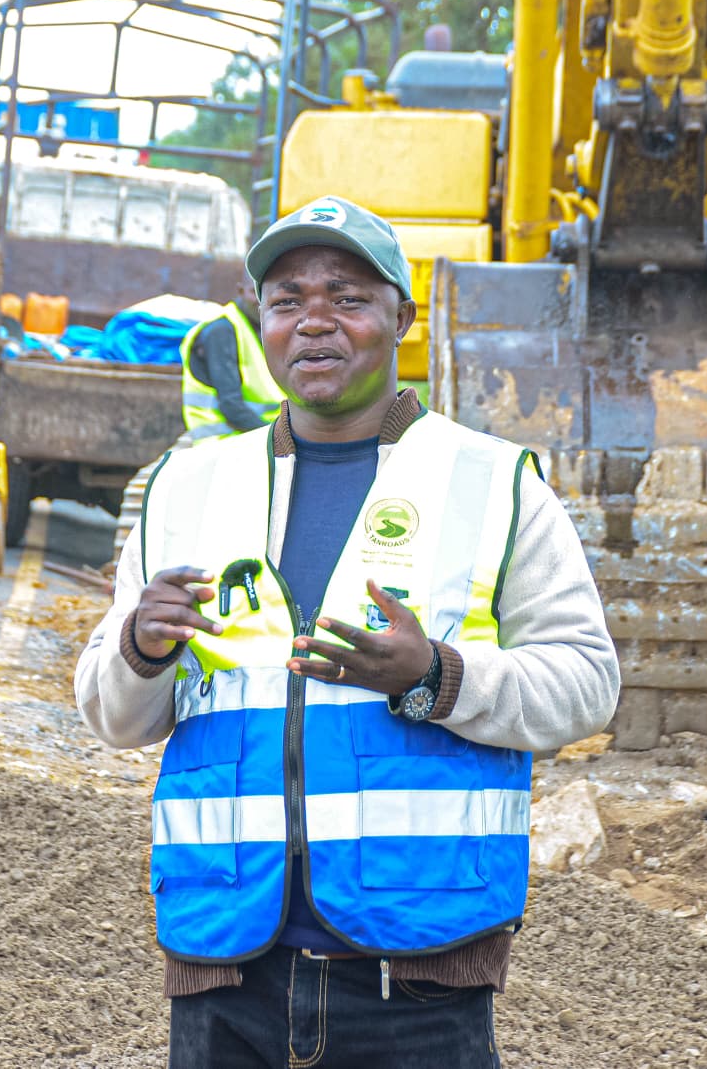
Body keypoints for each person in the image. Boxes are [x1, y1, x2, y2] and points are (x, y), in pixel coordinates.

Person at [74, 195, 620, 1068]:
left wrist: (436, 675)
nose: (314, 322)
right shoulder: (188, 486)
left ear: (401, 315)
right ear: (259, 320)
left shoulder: (491, 482)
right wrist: (140, 648)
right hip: (225, 964)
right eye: (287, 299)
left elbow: (588, 683)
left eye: (348, 297)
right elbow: (114, 714)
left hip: (417, 976)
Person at [178, 270, 284, 440]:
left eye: (268, 294)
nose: (260, 300)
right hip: (223, 442)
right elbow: (231, 407)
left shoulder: (261, 327)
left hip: (251, 437)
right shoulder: (221, 331)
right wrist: (278, 438)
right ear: (240, 291)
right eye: (253, 292)